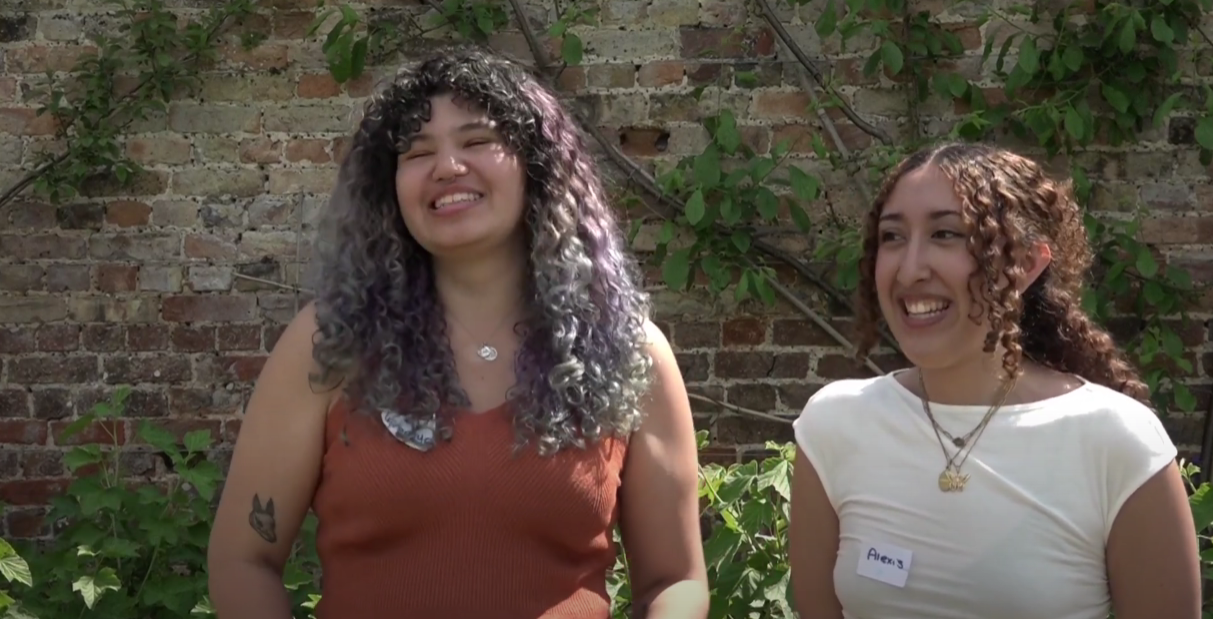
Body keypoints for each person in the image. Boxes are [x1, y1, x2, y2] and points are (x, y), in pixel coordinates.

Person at [207, 46, 709, 619]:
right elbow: (243, 560)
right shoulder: (329, 344)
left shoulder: (627, 350)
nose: (447, 166)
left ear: (535, 165)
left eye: (475, 141)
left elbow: (675, 580)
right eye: (417, 152)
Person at [787, 142, 1201, 619]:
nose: (910, 268)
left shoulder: (1116, 441)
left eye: (945, 234)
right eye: (893, 237)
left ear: (1026, 264)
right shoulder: (834, 426)